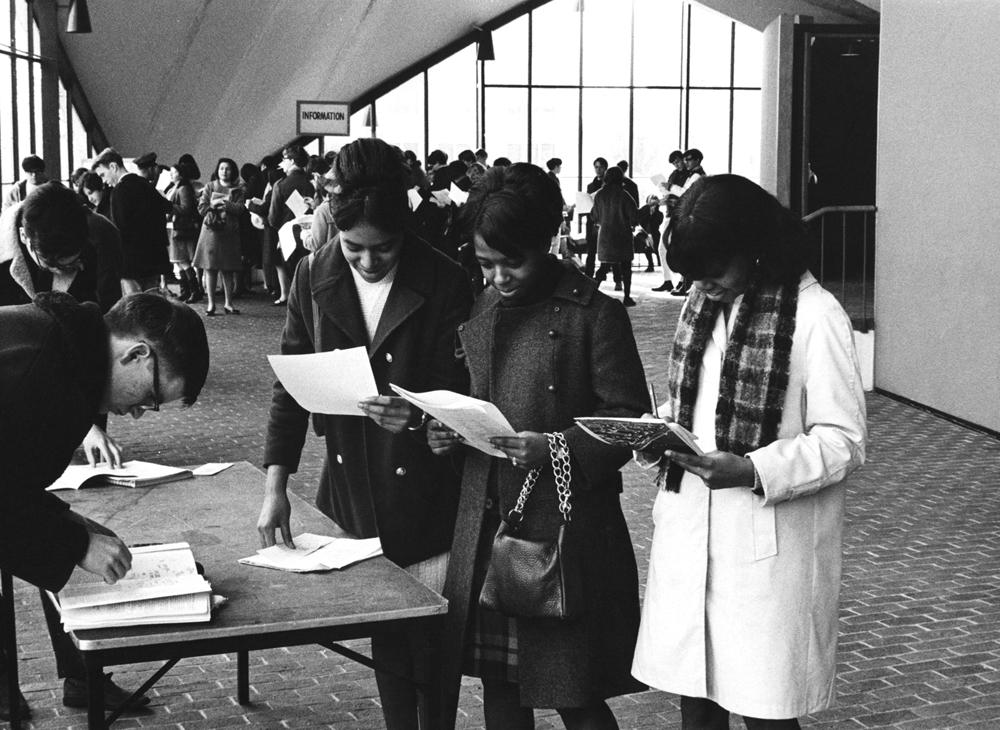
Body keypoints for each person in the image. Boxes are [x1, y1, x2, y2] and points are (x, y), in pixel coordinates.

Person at [631, 174, 867, 729]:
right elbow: (695, 405)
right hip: (693, 528)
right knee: (696, 693)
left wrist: (753, 469)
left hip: (768, 547)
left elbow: (845, 439)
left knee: (765, 707)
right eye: (693, 275)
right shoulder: (705, 306)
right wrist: (658, 429)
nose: (702, 286)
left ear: (755, 247)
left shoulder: (816, 315)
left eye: (714, 272)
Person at [258, 137, 472, 730]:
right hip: (354, 482)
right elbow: (290, 383)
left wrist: (425, 416)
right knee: (386, 637)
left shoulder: (446, 278)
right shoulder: (313, 272)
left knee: (433, 639)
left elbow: (467, 388)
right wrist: (276, 486)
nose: (369, 262)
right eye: (354, 248)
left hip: (429, 489)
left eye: (385, 248)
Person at [430, 162, 647, 730]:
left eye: (512, 261)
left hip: (562, 533)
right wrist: (449, 432)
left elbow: (627, 420)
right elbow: (475, 394)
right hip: (488, 521)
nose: (499, 277)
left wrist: (555, 446)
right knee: (500, 687)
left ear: (547, 241)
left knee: (573, 690)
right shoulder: (482, 306)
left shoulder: (593, 314)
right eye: (485, 264)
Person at [0, 290, 209, 720]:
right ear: (136, 354)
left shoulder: (71, 361)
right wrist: (75, 544)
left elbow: (12, 479)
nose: (139, 413)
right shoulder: (40, 366)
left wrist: (69, 521)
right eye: (150, 398)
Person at [92, 147, 173, 294]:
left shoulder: (119, 191)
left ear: (113, 166)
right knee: (153, 302)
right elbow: (167, 207)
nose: (104, 181)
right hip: (153, 256)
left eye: (103, 175)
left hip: (130, 261)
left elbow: (119, 228)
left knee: (135, 305)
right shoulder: (145, 184)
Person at [194, 158, 245, 315]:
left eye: (228, 168)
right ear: (217, 170)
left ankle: (229, 303)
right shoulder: (210, 187)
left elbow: (241, 209)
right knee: (210, 268)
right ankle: (211, 304)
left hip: (229, 232)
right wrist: (212, 205)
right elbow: (201, 208)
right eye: (222, 168)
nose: (224, 171)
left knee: (228, 269)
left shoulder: (239, 190)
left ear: (233, 171)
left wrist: (227, 205)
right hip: (211, 232)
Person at [267, 144, 314, 304]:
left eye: (284, 159)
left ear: (292, 160)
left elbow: (273, 218)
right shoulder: (311, 183)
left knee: (291, 273)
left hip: (287, 236)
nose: (282, 163)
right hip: (309, 233)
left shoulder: (280, 185)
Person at [591, 166, 639, 306]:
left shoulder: (599, 195)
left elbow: (594, 216)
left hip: (605, 237)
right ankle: (627, 297)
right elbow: (634, 217)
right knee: (626, 268)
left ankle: (592, 294)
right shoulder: (624, 195)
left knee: (603, 268)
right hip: (622, 237)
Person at [168, 158, 203, 303]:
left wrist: (169, 207)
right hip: (177, 228)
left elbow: (186, 208)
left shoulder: (182, 189)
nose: (171, 175)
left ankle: (193, 290)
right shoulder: (178, 187)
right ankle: (187, 290)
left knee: (183, 260)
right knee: (179, 261)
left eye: (174, 172)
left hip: (181, 228)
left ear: (180, 175)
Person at [652, 150, 686, 292]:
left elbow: (685, 194)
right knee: (662, 248)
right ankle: (668, 280)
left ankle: (683, 280)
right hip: (670, 213)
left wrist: (670, 194)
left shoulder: (690, 176)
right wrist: (662, 199)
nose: (676, 165)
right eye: (674, 163)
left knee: (681, 248)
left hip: (681, 214)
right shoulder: (674, 175)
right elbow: (670, 193)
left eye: (678, 161)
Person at [583, 156, 608, 277]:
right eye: (596, 167)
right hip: (592, 220)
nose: (598, 170)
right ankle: (588, 276)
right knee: (591, 250)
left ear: (605, 168)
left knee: (607, 250)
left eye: (601, 167)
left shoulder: (608, 185)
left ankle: (614, 277)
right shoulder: (590, 186)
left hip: (605, 220)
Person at [637, 194, 664, 272]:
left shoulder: (659, 214)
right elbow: (640, 220)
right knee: (646, 245)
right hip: (644, 233)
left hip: (654, 233)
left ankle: (660, 263)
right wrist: (648, 212)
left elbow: (657, 223)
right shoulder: (644, 210)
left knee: (657, 246)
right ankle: (651, 265)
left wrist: (653, 213)